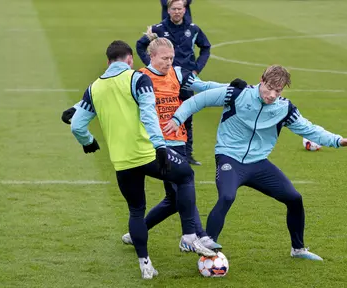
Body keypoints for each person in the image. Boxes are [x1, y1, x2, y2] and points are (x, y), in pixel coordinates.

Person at [164, 65, 347, 261]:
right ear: (261, 80)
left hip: (258, 164)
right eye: (269, 88)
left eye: (277, 91)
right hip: (229, 157)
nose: (272, 95)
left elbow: (309, 129)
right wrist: (177, 118)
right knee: (226, 196)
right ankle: (206, 243)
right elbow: (198, 101)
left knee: (294, 199)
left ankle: (298, 249)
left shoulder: (284, 108)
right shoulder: (236, 94)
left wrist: (337, 140)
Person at [63, 40, 216, 280]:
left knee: (136, 210)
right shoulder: (137, 79)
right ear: (130, 59)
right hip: (148, 154)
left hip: (122, 162)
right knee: (186, 175)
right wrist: (160, 145)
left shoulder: (94, 88)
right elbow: (148, 112)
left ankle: (145, 265)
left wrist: (88, 142)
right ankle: (188, 236)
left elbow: (77, 126)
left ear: (107, 61)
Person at [120, 35, 227, 250]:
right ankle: (200, 236)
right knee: (181, 188)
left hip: (178, 139)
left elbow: (203, 86)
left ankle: (136, 233)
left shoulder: (178, 74)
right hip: (155, 143)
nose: (169, 62)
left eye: (171, 58)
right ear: (151, 57)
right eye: (164, 58)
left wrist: (232, 88)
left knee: (174, 199)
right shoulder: (139, 77)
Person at [137, 0, 211, 165]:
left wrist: (196, 69)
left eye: (180, 9)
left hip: (185, 80)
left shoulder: (193, 29)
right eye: (174, 9)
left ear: (185, 10)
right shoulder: (158, 29)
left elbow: (206, 48)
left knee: (187, 116)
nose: (177, 12)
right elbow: (140, 45)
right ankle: (156, 149)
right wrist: (151, 65)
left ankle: (187, 153)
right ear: (168, 10)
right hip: (163, 81)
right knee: (159, 114)